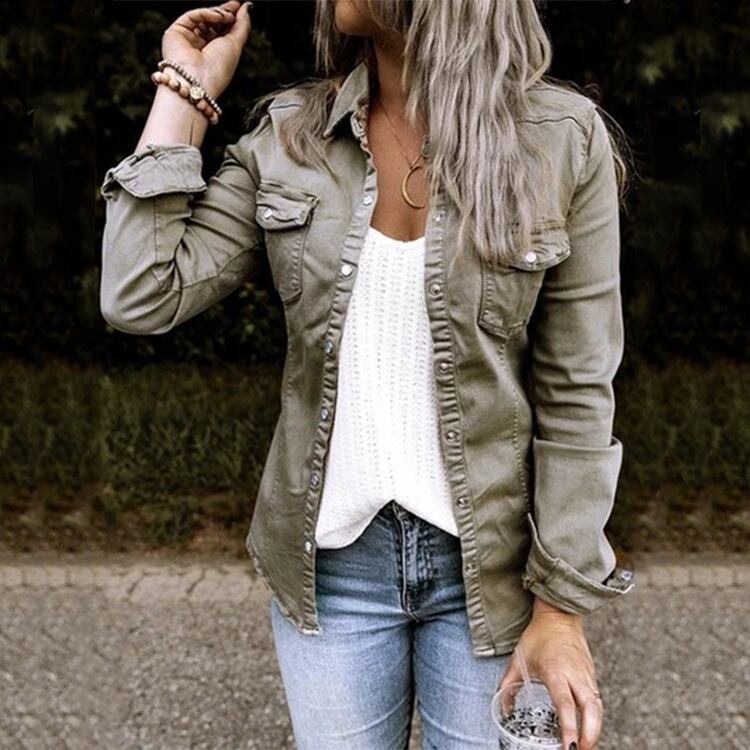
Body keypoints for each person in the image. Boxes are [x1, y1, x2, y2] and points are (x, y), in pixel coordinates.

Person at [99, 1, 637, 748]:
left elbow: (577, 390)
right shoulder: (291, 137)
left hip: (496, 574)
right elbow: (139, 293)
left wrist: (561, 610)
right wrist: (183, 89)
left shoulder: (560, 141)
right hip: (334, 573)